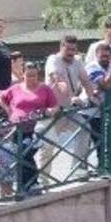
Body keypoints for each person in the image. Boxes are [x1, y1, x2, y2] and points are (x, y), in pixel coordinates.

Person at [40, 35, 96, 181]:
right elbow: (57, 79)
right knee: (48, 146)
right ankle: (42, 180)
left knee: (85, 129)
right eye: (68, 49)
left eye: (73, 49)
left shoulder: (77, 61)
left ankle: (77, 169)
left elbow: (86, 81)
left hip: (70, 110)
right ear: (61, 47)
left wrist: (92, 96)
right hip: (53, 110)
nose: (71, 52)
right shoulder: (53, 60)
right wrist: (71, 96)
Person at [0, 62, 58, 196]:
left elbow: (55, 106)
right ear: (23, 75)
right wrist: (8, 111)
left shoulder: (45, 89)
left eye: (34, 75)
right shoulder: (15, 88)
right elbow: (1, 97)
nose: (32, 78)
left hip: (36, 128)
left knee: (25, 152)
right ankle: (28, 186)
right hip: (17, 128)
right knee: (20, 154)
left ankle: (31, 184)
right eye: (29, 75)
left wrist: (49, 112)